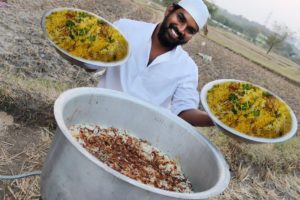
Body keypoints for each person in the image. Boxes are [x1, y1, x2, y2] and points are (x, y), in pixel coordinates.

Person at [96, 0, 214, 127]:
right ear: (169, 11)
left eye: (190, 30)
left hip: (135, 137)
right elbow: (93, 63)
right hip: (95, 115)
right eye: (180, 18)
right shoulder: (125, 29)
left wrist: (216, 120)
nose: (181, 29)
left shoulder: (187, 69)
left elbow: (184, 112)